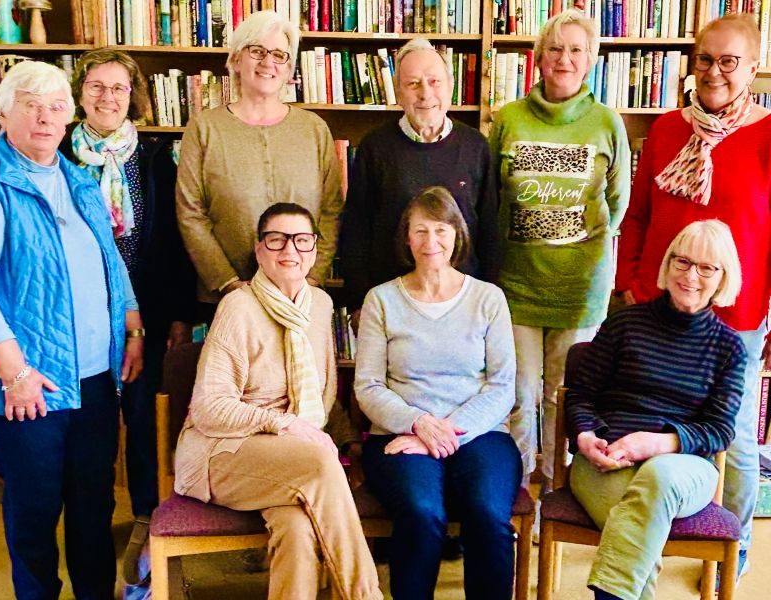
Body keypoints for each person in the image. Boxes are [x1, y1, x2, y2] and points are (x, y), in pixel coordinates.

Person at [0, 61, 142, 599]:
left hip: (94, 379)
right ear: (3, 114)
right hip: (29, 386)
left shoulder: (79, 180)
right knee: (35, 511)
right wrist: (14, 373)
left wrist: (132, 325)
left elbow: (110, 260)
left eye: (55, 106)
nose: (44, 117)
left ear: (69, 116)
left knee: (93, 504)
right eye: (30, 105)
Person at [615, 13, 771, 582]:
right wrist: (630, 285)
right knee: (652, 420)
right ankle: (648, 535)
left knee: (737, 439)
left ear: (753, 67)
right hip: (659, 310)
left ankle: (733, 543)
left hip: (737, 316)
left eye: (729, 62)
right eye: (705, 59)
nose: (714, 72)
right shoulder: (665, 130)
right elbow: (637, 215)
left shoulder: (766, 136)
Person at [174, 203, 381, 600]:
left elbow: (320, 393)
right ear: (259, 249)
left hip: (291, 457)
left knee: (298, 528)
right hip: (223, 451)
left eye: (302, 240)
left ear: (315, 250)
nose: (290, 250)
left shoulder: (320, 305)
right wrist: (283, 423)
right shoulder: (238, 307)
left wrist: (349, 439)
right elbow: (208, 407)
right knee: (320, 463)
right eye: (276, 239)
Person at [64, 47, 197, 583]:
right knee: (90, 425)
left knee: (144, 421)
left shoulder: (155, 158)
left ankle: (146, 516)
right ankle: (90, 529)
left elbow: (175, 241)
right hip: (79, 320)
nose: (108, 97)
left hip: (151, 312)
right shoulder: (59, 156)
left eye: (119, 87)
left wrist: (179, 315)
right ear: (80, 93)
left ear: (133, 95)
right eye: (96, 86)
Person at [488, 9, 631, 500]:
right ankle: (516, 494)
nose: (564, 59)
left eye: (576, 50)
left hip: (579, 286)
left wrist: (579, 242)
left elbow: (618, 203)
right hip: (517, 283)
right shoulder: (508, 119)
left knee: (562, 397)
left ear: (590, 60)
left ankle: (554, 494)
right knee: (518, 393)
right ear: (538, 58)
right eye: (555, 48)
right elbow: (491, 197)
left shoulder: (607, 123)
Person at [355, 187, 522, 600]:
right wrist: (418, 424)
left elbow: (502, 386)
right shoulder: (381, 300)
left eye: (441, 230)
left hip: (480, 435)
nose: (431, 241)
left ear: (457, 235)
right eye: (421, 231)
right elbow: (368, 386)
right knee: (421, 512)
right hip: (400, 436)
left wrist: (443, 431)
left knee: (487, 513)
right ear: (406, 238)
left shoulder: (488, 298)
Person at [566, 220, 747, 600]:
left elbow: (719, 429)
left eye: (706, 268)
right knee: (635, 532)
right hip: (606, 458)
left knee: (658, 479)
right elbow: (580, 394)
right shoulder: (624, 323)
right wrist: (585, 435)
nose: (691, 276)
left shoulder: (729, 347)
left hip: (685, 467)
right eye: (683, 262)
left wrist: (657, 443)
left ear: (723, 277)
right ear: (668, 263)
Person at [176, 9, 342, 323]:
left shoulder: (313, 129)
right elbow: (191, 213)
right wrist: (229, 283)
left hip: (300, 297)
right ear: (236, 59)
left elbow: (332, 210)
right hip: (225, 299)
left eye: (279, 55)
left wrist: (311, 278)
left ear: (290, 69)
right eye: (257, 51)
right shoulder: (204, 128)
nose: (268, 62)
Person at [341, 38, 500, 330]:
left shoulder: (476, 146)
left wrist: (489, 300)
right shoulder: (375, 147)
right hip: (391, 305)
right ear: (398, 92)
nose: (425, 93)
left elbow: (490, 229)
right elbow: (356, 229)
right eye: (413, 84)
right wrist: (358, 302)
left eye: (434, 81)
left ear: (450, 86)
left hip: (463, 305)